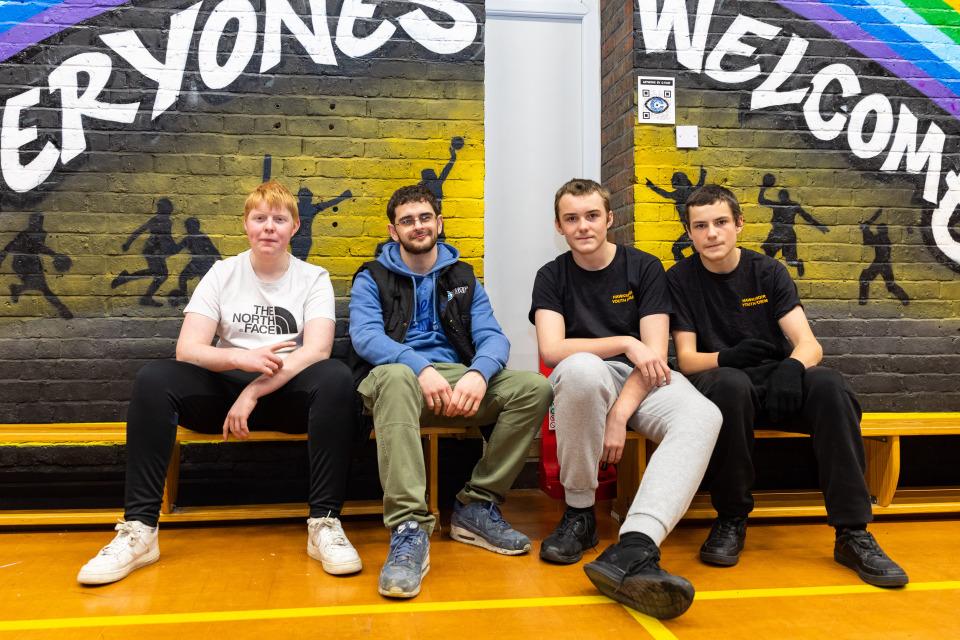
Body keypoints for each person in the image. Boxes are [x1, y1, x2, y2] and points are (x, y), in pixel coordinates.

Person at [78, 180, 362, 584]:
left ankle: (325, 524)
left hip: (285, 394)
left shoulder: (312, 277)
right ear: (246, 225)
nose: (269, 227)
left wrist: (254, 390)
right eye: (259, 218)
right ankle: (140, 531)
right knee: (154, 378)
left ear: (294, 227)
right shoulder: (223, 272)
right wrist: (239, 359)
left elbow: (316, 350)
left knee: (334, 375)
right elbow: (188, 348)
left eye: (279, 219)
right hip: (222, 396)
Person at [666, 184, 908, 587]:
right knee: (730, 385)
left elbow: (810, 344)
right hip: (722, 383)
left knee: (829, 386)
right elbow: (687, 359)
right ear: (690, 234)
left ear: (739, 224)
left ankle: (853, 533)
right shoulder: (680, 278)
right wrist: (728, 357)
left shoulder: (768, 271)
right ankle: (731, 519)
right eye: (701, 226)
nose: (712, 234)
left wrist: (791, 368)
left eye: (721, 222)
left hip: (776, 382)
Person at [530, 178, 721, 620]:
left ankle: (636, 542)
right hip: (588, 375)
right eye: (572, 218)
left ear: (609, 218)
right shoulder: (551, 276)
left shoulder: (644, 267)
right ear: (559, 226)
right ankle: (579, 516)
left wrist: (619, 415)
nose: (583, 226)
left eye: (592, 215)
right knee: (579, 369)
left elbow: (654, 356)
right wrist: (624, 341)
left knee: (703, 415)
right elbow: (552, 349)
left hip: (643, 379)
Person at [349, 184, 551, 600]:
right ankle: (408, 527)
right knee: (396, 376)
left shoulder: (462, 275)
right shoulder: (372, 277)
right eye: (407, 220)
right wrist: (418, 366)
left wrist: (478, 373)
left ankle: (476, 505)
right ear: (393, 231)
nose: (417, 226)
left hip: (455, 379)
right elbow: (365, 336)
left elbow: (492, 336)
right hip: (394, 381)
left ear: (439, 223)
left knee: (533, 387)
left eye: (425, 217)